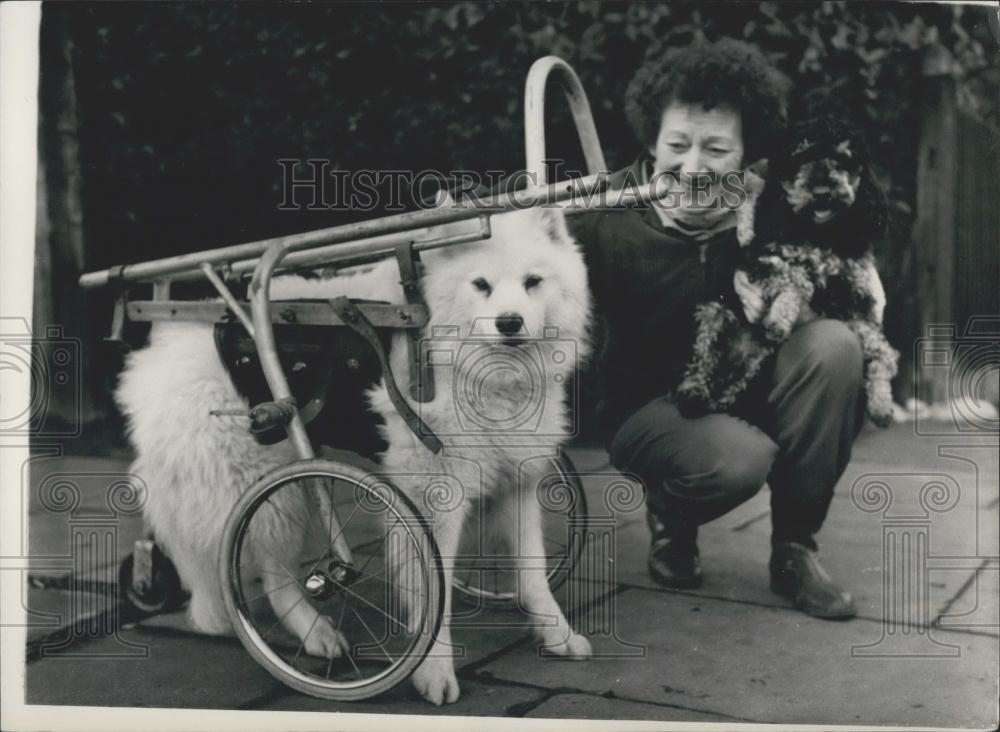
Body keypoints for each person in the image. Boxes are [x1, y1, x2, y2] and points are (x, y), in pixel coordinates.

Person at [570, 38, 866, 619]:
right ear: (652, 143)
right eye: (676, 145)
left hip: (747, 390)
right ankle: (672, 517)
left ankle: (794, 551)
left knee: (836, 347)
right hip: (651, 414)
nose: (693, 166)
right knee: (738, 461)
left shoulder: (776, 213)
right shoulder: (606, 219)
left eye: (717, 148)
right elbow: (519, 240)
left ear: (747, 155)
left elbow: (843, 281)